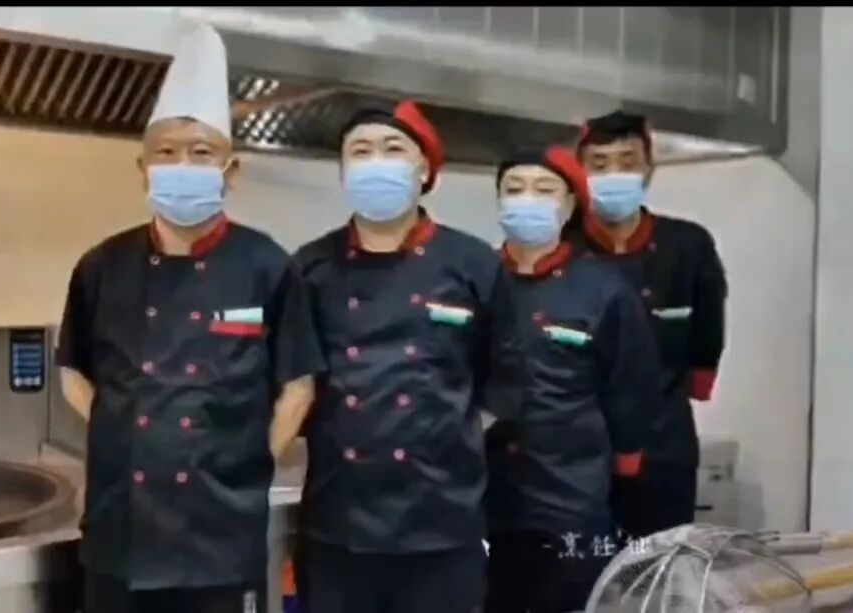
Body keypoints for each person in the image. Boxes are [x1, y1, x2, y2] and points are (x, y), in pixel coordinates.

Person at [56, 23, 322, 613]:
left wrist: (247, 458)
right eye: (166, 153)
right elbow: (74, 374)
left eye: (201, 154)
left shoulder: (268, 265)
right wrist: (130, 433)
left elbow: (298, 386)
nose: (182, 164)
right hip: (121, 532)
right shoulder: (102, 265)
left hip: (222, 534)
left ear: (231, 171)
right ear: (143, 169)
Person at [283, 101, 522, 613]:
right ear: (344, 172)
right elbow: (296, 382)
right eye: (360, 152)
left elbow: (506, 379)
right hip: (337, 520)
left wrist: (443, 434)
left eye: (393, 149)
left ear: (424, 170)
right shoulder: (309, 267)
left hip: (442, 522)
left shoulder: (474, 263)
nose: (376, 163)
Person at [483, 146, 662, 612]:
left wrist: (626, 469)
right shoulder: (472, 278)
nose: (527, 200)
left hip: (569, 496)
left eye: (544, 190)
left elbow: (632, 384)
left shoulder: (604, 289)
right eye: (514, 189)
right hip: (483, 499)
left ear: (569, 207)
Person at [576, 110, 728, 537]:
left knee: (659, 563)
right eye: (599, 163)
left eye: (627, 161)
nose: (613, 174)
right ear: (579, 172)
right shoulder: (563, 247)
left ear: (649, 168)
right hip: (578, 446)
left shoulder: (687, 246)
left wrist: (700, 381)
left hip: (663, 442)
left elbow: (707, 327)